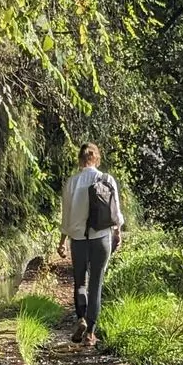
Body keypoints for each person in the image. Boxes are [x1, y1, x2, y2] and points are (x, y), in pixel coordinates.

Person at [58, 142, 124, 346]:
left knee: (80, 282)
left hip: (78, 240)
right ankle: (90, 335)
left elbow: (66, 217)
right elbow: (116, 213)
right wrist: (117, 234)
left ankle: (81, 319)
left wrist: (61, 242)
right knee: (96, 284)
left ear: (80, 159)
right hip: (101, 238)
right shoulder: (107, 179)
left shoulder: (71, 182)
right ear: (97, 159)